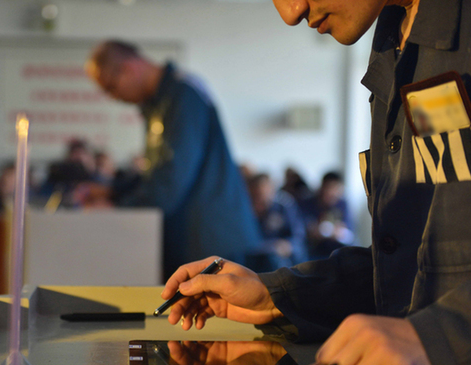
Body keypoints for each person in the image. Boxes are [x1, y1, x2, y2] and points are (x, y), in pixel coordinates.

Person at [162, 0, 471, 364]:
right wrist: (276, 296)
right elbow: (405, 262)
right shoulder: (393, 39)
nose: (292, 12)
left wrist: (439, 336)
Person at [86, 40, 263, 279]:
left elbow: (171, 181)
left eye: (110, 87)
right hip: (192, 240)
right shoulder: (158, 102)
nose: (112, 97)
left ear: (129, 68)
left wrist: (118, 209)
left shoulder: (183, 95)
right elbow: (157, 174)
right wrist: (114, 192)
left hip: (212, 245)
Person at [247, 173, 307, 270]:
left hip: (282, 257)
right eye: (255, 196)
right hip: (254, 255)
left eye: (262, 195)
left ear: (272, 191)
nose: (259, 200)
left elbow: (298, 237)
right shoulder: (245, 209)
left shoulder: (284, 205)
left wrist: (288, 245)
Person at [300, 171, 354, 259]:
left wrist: (338, 231)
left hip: (337, 248)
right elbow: (303, 228)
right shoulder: (308, 203)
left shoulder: (343, 204)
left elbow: (349, 230)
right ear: (322, 187)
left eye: (335, 188)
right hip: (314, 249)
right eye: (329, 188)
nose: (331, 192)